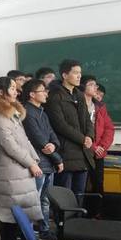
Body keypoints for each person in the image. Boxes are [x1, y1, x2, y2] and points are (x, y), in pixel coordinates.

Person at [0, 77, 43, 240]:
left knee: (18, 214)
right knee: (9, 214)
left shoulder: (12, 113)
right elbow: (10, 146)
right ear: (0, 92)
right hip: (10, 170)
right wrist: (30, 163)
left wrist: (34, 159)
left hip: (21, 169)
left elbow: (24, 140)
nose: (16, 91)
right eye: (11, 88)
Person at [45, 59, 95, 198]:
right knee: (65, 196)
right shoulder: (55, 96)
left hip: (83, 153)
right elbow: (60, 124)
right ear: (65, 75)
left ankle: (78, 213)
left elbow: (87, 119)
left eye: (80, 73)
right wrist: (82, 139)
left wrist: (89, 136)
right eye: (75, 73)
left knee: (79, 195)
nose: (79, 76)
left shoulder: (79, 94)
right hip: (66, 151)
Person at [22, 79, 64, 240]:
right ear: (32, 94)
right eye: (42, 90)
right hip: (37, 163)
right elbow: (39, 140)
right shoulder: (27, 112)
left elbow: (52, 135)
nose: (46, 93)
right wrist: (57, 159)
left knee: (45, 199)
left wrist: (54, 146)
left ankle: (44, 230)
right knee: (33, 201)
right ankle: (28, 234)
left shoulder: (42, 112)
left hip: (48, 163)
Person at [79, 75, 115, 194]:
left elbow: (109, 128)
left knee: (98, 183)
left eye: (96, 85)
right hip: (82, 150)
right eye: (92, 85)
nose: (95, 88)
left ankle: (97, 207)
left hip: (98, 152)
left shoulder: (100, 107)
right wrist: (93, 147)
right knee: (81, 185)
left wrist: (102, 147)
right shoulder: (77, 105)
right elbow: (78, 130)